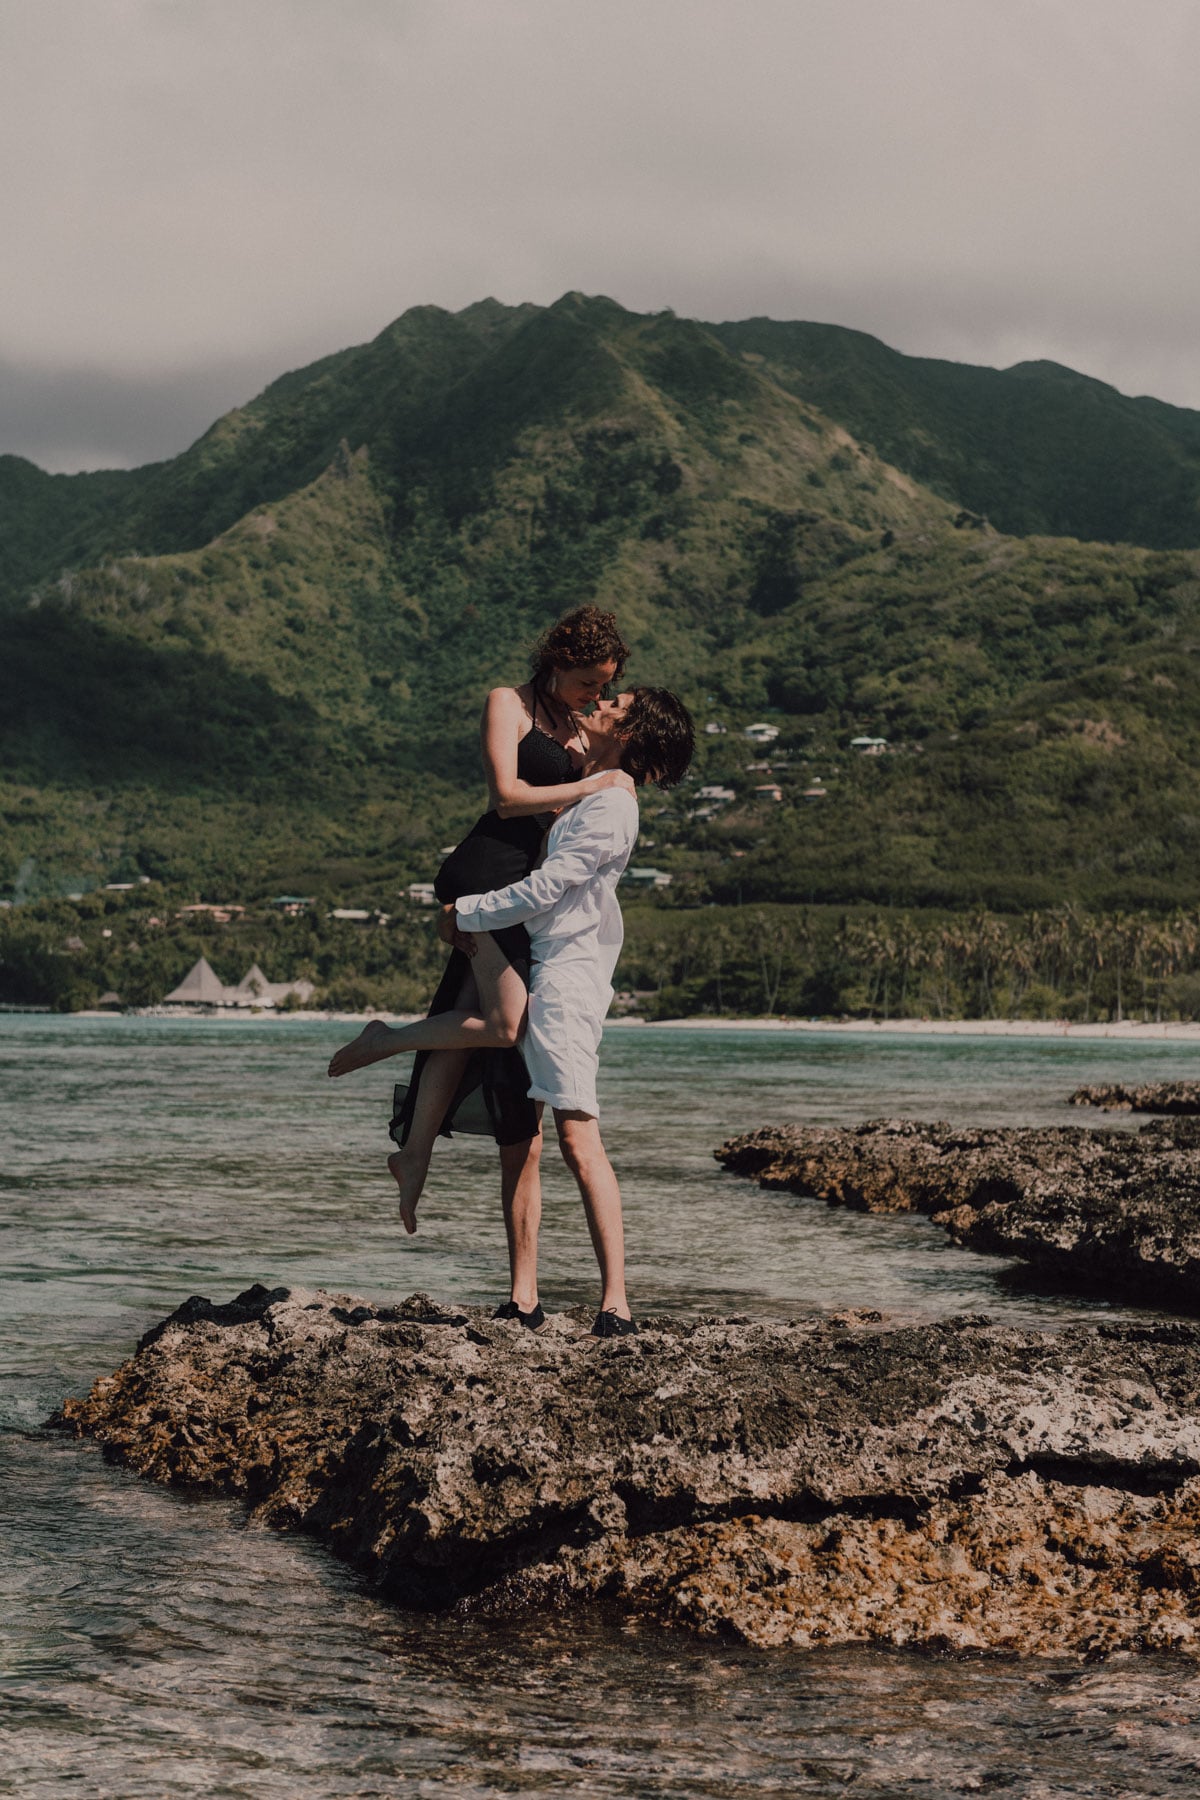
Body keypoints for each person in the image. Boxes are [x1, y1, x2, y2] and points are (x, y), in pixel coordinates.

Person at [328, 686, 696, 1337]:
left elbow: (548, 888)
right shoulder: (597, 786)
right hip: (546, 966)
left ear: (632, 734)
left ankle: (617, 1302)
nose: (604, 700)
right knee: (532, 1130)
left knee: (579, 1139)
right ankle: (547, 1297)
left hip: (565, 983)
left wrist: (463, 913)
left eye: (618, 700)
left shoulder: (610, 803)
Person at [364, 609, 631, 1284]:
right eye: (584, 683)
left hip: (525, 894)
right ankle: (387, 1045)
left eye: (604, 687)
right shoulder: (506, 704)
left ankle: (415, 1153)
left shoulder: (585, 726)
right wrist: (593, 782)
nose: (593, 698)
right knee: (500, 1024)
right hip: (490, 871)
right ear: (555, 663)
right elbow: (507, 796)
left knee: (466, 1024)